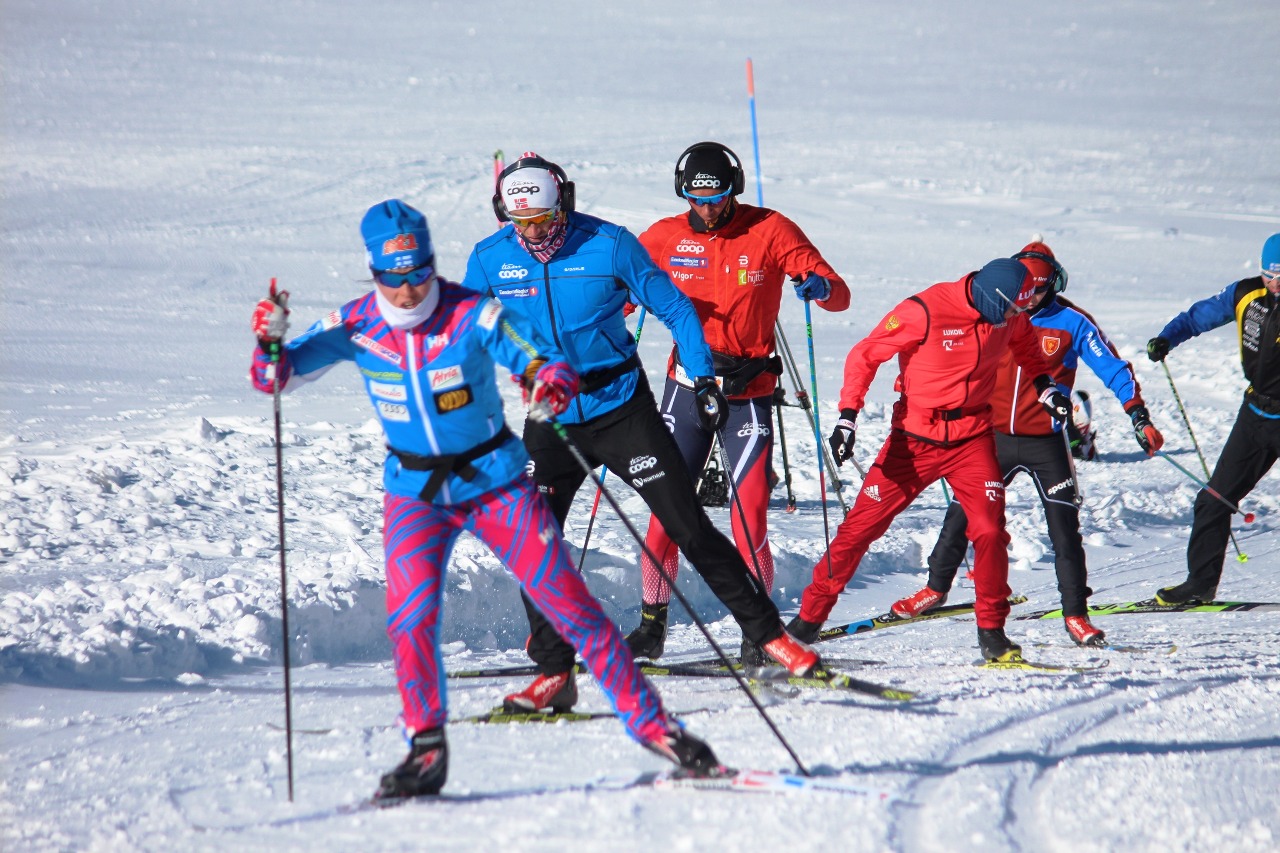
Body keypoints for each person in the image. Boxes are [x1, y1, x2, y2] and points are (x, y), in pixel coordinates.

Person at [249, 199, 718, 799]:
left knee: (569, 604)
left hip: (495, 482)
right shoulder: (356, 323)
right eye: (394, 277)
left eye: (419, 272)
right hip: (416, 492)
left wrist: (547, 380)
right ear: (373, 272)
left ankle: (657, 728)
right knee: (410, 620)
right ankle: (425, 749)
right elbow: (275, 378)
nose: (409, 289)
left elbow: (539, 359)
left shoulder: (473, 313)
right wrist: (269, 343)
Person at [463, 153, 822, 712]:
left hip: (622, 411)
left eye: (544, 219)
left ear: (566, 202)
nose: (534, 234)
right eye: (521, 223)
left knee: (687, 525)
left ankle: (768, 634)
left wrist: (702, 376)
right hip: (551, 417)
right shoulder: (489, 259)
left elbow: (676, 308)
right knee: (534, 541)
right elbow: (467, 331)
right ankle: (555, 673)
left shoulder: (609, 244)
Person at [625, 141, 851, 662]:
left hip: (749, 394)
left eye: (717, 195)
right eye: (696, 196)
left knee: (748, 517)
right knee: (665, 514)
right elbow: (617, 297)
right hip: (686, 389)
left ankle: (758, 630)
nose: (707, 207)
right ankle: (651, 625)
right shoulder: (662, 237)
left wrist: (819, 286)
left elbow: (840, 295)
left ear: (734, 189)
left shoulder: (771, 229)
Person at [785, 258, 1068, 663]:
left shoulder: (1009, 314)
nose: (1015, 318)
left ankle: (993, 633)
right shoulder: (925, 310)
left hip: (972, 440)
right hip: (913, 441)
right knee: (859, 531)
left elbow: (1027, 348)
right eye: (1011, 309)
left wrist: (1046, 389)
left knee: (988, 530)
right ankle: (806, 623)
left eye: (1020, 311)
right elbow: (865, 355)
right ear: (992, 298)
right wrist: (848, 417)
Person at [891, 240, 1165, 647]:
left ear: (1051, 287)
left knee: (1064, 531)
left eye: (1037, 291)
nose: (1028, 299)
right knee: (961, 514)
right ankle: (935, 587)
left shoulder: (1072, 322)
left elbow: (1111, 365)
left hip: (1046, 442)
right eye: (1024, 290)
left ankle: (1076, 614)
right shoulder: (996, 312)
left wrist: (1137, 413)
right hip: (991, 437)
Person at [1146, 232, 1280, 605]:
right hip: (1255, 415)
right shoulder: (1245, 294)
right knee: (1213, 500)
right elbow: (1201, 315)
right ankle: (1200, 585)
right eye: (1271, 276)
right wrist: (1167, 338)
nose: (1277, 284)